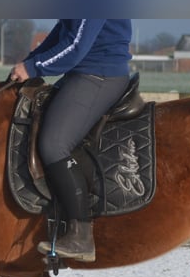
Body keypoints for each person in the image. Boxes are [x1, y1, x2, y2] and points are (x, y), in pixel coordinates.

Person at [10, 19, 132, 262]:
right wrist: (29, 63)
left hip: (98, 74)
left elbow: (76, 45)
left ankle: (80, 235)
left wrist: (34, 67)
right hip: (82, 73)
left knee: (54, 144)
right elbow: (62, 32)